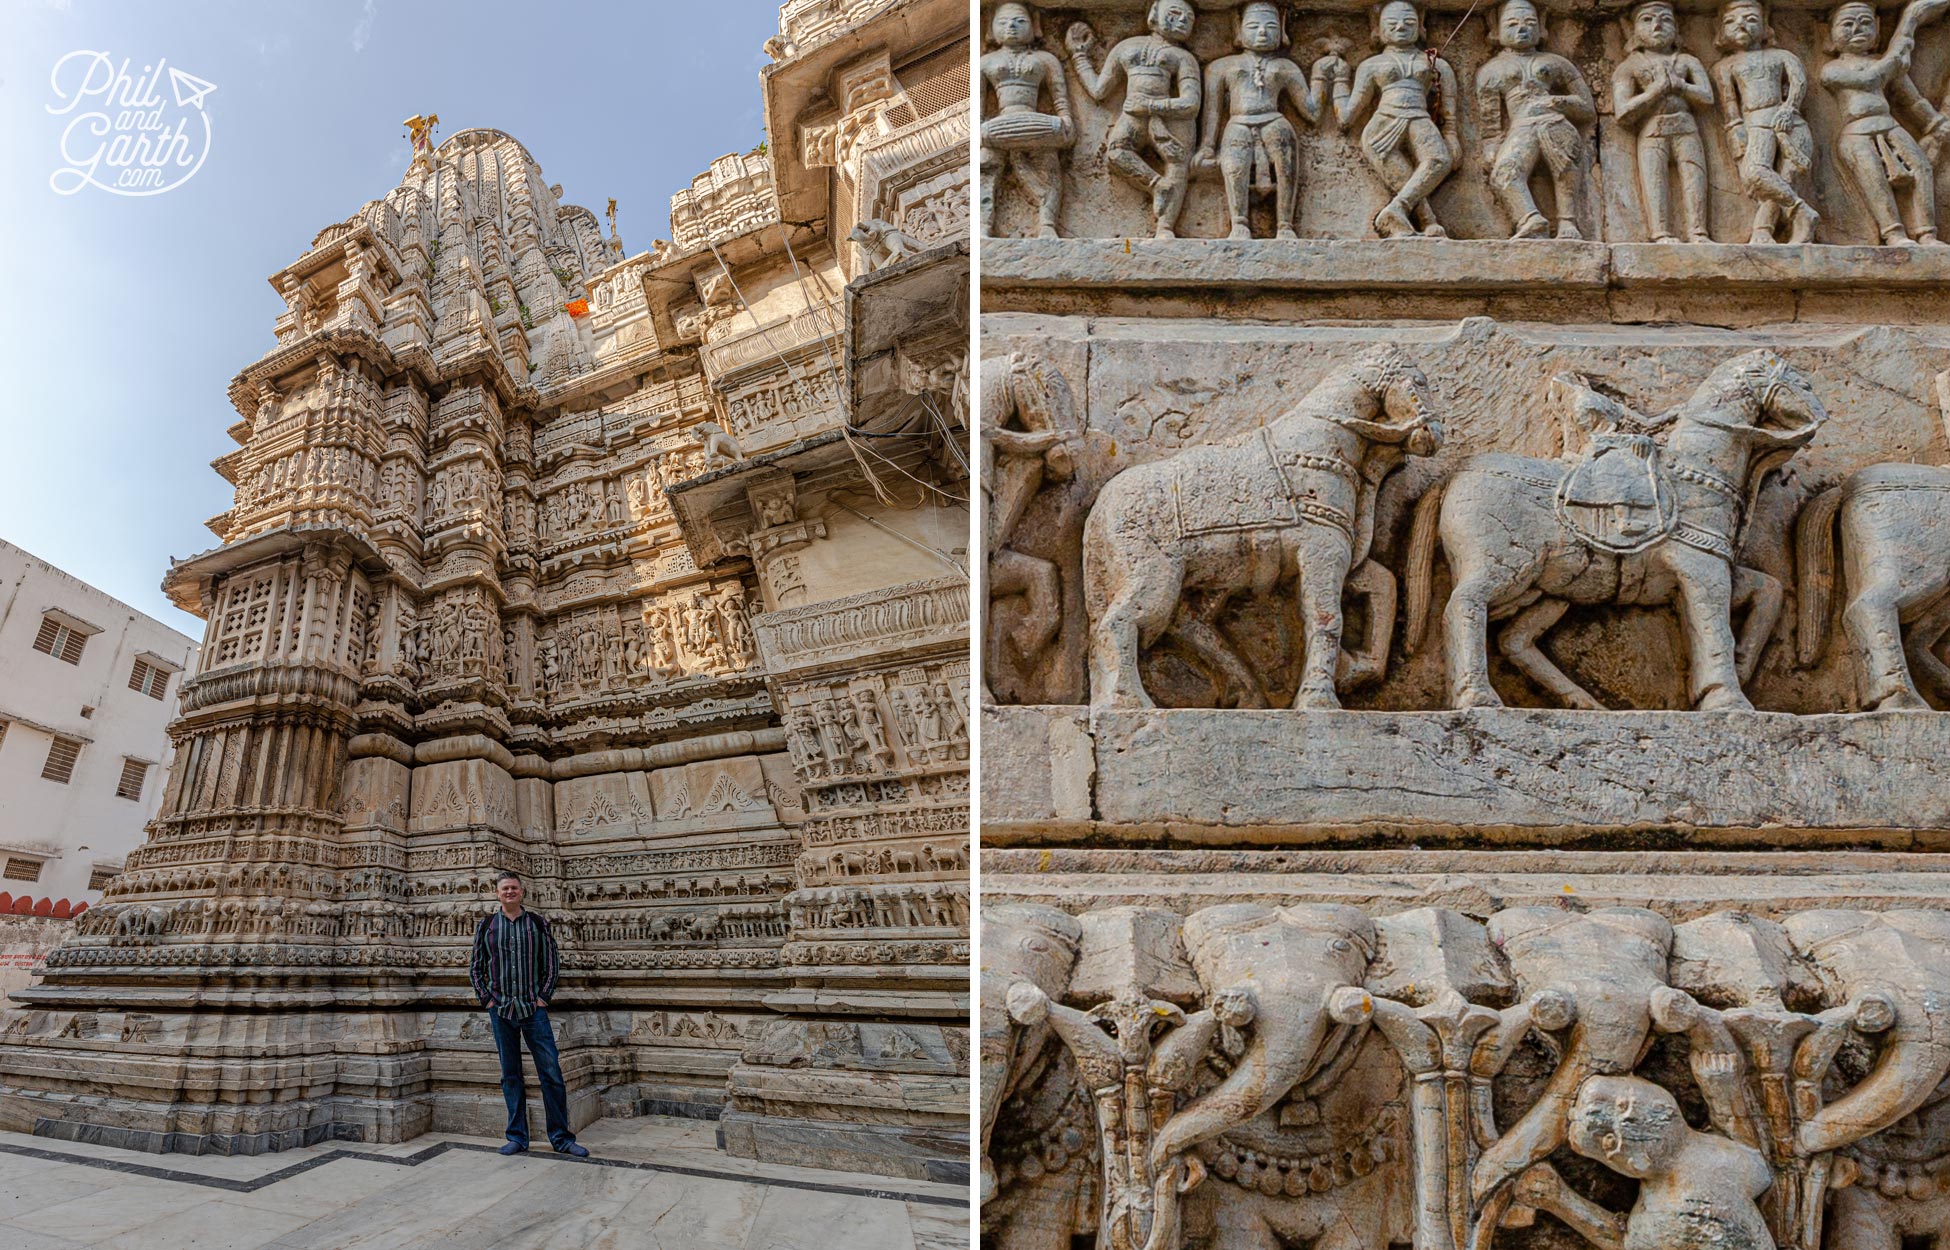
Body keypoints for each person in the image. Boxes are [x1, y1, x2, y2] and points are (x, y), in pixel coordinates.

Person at [469, 871, 588, 1157]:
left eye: (514, 888)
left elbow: (552, 961)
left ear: (522, 892)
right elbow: (476, 967)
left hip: (533, 1010)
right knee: (510, 1075)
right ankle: (516, 1136)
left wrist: (543, 997)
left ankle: (561, 1138)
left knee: (551, 1074)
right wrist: (486, 999)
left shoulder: (537, 923)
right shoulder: (487, 926)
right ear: (497, 894)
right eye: (504, 889)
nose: (509, 892)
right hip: (501, 1009)